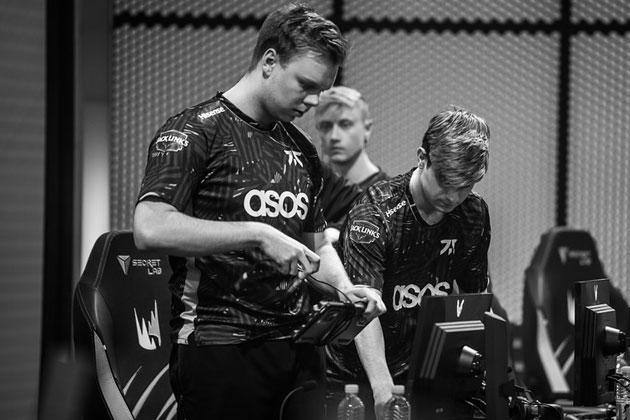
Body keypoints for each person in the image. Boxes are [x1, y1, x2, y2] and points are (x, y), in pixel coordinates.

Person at [132, 5, 385, 420]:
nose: (314, 101)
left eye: (322, 89)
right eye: (306, 85)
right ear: (269, 62)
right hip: (220, 348)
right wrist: (257, 233)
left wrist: (346, 291)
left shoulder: (302, 150)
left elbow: (316, 246)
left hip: (299, 350)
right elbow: (149, 227)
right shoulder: (196, 131)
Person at [325, 106, 492, 419]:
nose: (452, 196)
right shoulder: (374, 212)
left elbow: (476, 300)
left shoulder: (473, 213)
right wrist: (383, 389)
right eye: (444, 181)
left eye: (465, 186)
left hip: (427, 376)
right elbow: (364, 310)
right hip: (359, 380)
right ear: (422, 158)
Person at [313, 86, 389, 244]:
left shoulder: (387, 195)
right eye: (326, 126)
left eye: (345, 124)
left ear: (367, 129)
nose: (334, 136)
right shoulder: (311, 189)